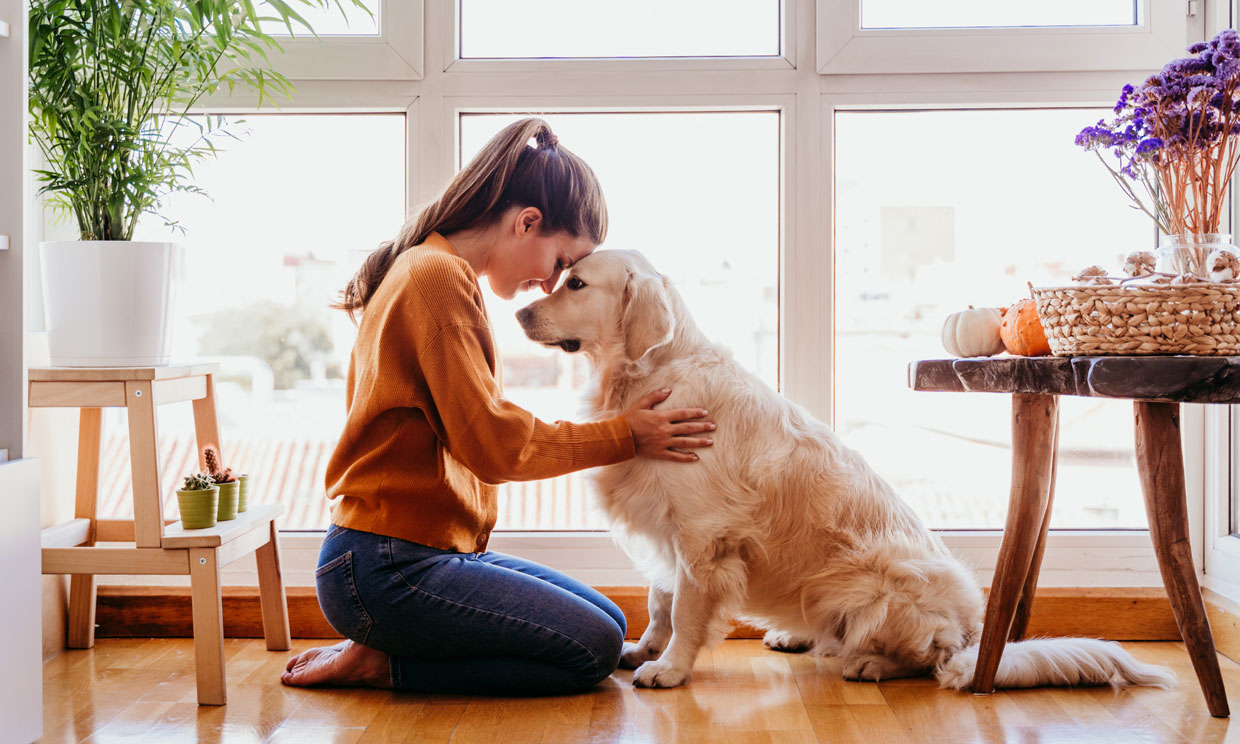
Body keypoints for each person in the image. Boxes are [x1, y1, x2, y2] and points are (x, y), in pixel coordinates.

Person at [281, 118, 715, 695]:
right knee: (592, 650)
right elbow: (495, 446)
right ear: (526, 222)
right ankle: (384, 662)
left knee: (611, 624)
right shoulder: (436, 278)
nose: (549, 284)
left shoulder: (433, 267)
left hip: (417, 555)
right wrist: (625, 434)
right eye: (561, 263)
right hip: (384, 567)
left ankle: (387, 641)